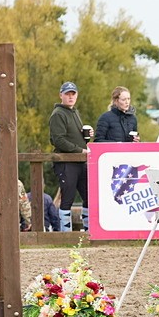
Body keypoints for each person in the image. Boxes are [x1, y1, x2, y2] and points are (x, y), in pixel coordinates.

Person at [49, 81, 92, 232]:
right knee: (67, 198)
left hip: (80, 162)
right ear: (61, 95)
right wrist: (80, 150)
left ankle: (88, 231)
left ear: (77, 95)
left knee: (89, 195)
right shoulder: (58, 114)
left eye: (73, 94)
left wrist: (86, 136)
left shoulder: (74, 112)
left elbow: (72, 136)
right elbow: (58, 140)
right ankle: (65, 234)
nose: (70, 97)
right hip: (66, 162)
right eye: (67, 94)